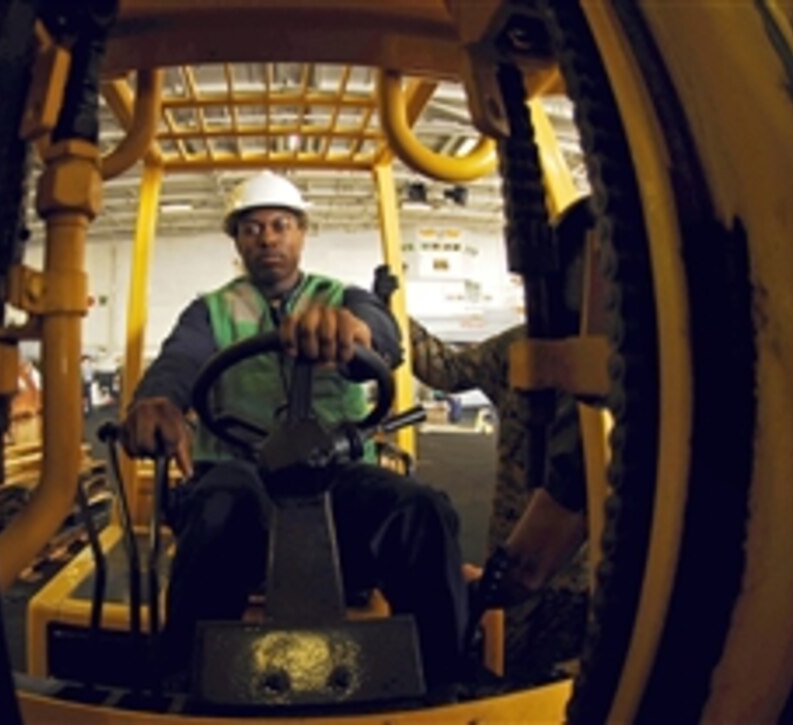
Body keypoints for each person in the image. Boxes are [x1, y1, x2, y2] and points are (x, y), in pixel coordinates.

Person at [120, 170, 470, 692]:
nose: (268, 238)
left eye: (281, 225)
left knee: (420, 511)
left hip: (336, 477)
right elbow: (179, 362)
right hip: (241, 479)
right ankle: (185, 677)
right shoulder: (208, 312)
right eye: (253, 228)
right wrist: (158, 400)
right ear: (237, 241)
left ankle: (444, 681)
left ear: (302, 233)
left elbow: (382, 336)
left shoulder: (341, 297)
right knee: (221, 502)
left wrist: (356, 334)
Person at [406, 196, 598, 685]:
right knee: (515, 670)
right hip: (518, 550)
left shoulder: (654, 370)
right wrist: (389, 318)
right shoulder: (522, 344)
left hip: (585, 574)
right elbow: (444, 369)